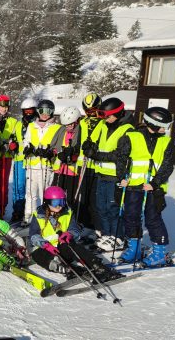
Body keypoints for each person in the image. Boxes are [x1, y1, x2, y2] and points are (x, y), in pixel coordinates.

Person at [114, 107, 174, 267]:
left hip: (153, 189)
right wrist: (121, 177)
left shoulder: (165, 141)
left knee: (153, 219)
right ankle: (134, 249)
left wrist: (155, 183)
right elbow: (121, 158)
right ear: (153, 123)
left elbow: (167, 166)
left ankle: (159, 252)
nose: (165, 129)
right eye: (163, 125)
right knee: (131, 217)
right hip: (133, 186)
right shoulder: (131, 137)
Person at [28, 186, 123, 282]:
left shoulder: (67, 212)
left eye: (62, 202)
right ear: (47, 202)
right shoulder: (39, 215)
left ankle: (99, 267)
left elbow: (74, 229)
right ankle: (69, 270)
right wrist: (44, 244)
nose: (59, 206)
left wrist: (69, 234)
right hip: (46, 249)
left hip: (62, 247)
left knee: (73, 246)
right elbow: (33, 235)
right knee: (37, 255)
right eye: (55, 202)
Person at [82, 98, 134, 251]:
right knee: (100, 208)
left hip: (116, 176)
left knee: (113, 208)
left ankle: (117, 237)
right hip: (101, 174)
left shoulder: (128, 129)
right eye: (104, 116)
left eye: (109, 116)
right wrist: (89, 146)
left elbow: (120, 155)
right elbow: (97, 143)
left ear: (118, 113)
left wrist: (96, 155)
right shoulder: (105, 125)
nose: (106, 119)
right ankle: (106, 235)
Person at [21, 100, 62, 225]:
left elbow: (58, 146)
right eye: (42, 111)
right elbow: (26, 141)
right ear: (38, 111)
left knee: (45, 192)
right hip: (32, 165)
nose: (45, 114)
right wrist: (28, 148)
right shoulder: (32, 125)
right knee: (30, 193)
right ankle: (29, 216)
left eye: (48, 111)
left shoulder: (57, 127)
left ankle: (46, 215)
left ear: (52, 112)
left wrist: (51, 152)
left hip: (46, 165)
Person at [76, 93, 104, 235]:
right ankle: (82, 223)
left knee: (95, 199)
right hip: (82, 165)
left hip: (96, 165)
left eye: (93, 110)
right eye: (88, 111)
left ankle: (94, 227)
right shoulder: (82, 122)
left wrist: (95, 148)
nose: (91, 114)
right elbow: (78, 140)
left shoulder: (104, 123)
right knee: (83, 197)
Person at [0, 95, 19, 219]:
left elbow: (15, 137)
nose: (5, 109)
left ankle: (2, 208)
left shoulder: (13, 121)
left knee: (3, 183)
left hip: (5, 156)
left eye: (7, 106)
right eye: (2, 106)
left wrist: (11, 145)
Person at [10, 99, 38, 223]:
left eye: (30, 110)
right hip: (19, 159)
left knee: (30, 189)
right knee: (18, 188)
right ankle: (18, 212)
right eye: (25, 111)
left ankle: (30, 213)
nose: (28, 113)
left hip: (32, 160)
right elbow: (13, 137)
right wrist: (13, 144)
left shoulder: (38, 123)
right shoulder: (18, 124)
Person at [51, 106, 82, 206]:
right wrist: (52, 154)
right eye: (65, 125)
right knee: (57, 194)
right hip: (60, 169)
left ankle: (70, 215)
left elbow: (80, 150)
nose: (67, 127)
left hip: (72, 171)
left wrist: (72, 154)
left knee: (70, 197)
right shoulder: (61, 130)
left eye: (69, 124)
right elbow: (54, 146)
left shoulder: (80, 132)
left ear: (76, 121)